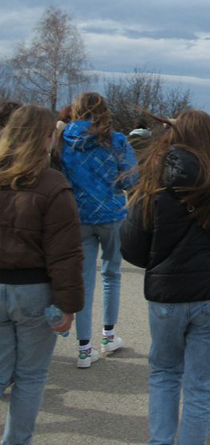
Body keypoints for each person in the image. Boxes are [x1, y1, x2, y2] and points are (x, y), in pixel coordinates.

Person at [120, 109, 210, 445]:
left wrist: (161, 261)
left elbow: (131, 248)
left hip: (166, 297)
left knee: (164, 374)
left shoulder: (153, 185)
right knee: (201, 386)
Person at [0, 105, 84, 444]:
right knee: (31, 377)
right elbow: (64, 253)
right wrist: (69, 304)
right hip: (34, 291)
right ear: (47, 138)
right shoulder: (53, 185)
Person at [59, 92, 137, 368]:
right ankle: (108, 335)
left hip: (77, 216)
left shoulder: (63, 140)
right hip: (111, 213)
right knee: (111, 274)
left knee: (83, 280)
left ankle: (84, 348)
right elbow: (132, 179)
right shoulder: (116, 140)